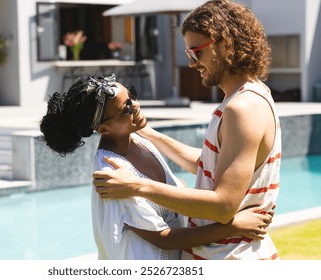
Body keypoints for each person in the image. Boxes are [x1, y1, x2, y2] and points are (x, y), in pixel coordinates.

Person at [93, 0, 281, 260]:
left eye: (196, 52)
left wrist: (137, 186)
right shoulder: (251, 95)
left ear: (225, 44)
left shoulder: (242, 108)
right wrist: (150, 134)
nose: (192, 63)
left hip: (232, 258)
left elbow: (223, 206)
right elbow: (210, 166)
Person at [40, 73, 273, 260]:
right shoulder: (112, 174)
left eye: (131, 97)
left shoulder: (140, 141)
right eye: (126, 110)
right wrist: (233, 227)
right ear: (104, 129)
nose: (136, 106)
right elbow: (163, 238)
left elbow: (192, 177)